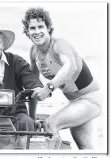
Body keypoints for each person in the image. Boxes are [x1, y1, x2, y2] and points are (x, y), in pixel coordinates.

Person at [22, 8, 101, 149]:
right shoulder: (34, 52)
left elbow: (70, 67)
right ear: (27, 32)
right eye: (32, 28)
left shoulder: (59, 44)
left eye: (41, 27)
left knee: (50, 123)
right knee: (86, 149)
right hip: (75, 103)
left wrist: (49, 88)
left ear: (49, 29)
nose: (37, 31)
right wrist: (32, 116)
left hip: (91, 100)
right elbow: (33, 84)